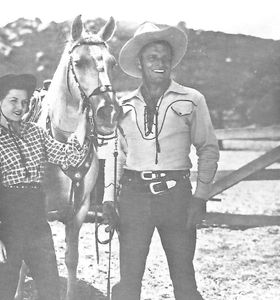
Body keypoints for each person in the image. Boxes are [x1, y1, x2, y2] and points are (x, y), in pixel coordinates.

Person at [102, 22, 220, 300]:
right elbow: (116, 155)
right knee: (128, 280)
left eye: (166, 58)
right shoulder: (124, 104)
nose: (160, 63)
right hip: (133, 198)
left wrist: (200, 197)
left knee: (184, 279)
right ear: (140, 63)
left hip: (177, 198)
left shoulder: (192, 99)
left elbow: (208, 149)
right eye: (152, 57)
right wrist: (109, 200)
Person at [0, 74, 88, 300]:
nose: (20, 107)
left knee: (49, 284)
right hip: (8, 222)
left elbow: (68, 156)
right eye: (13, 101)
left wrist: (83, 122)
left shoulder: (36, 133)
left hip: (37, 219)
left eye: (25, 102)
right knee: (3, 287)